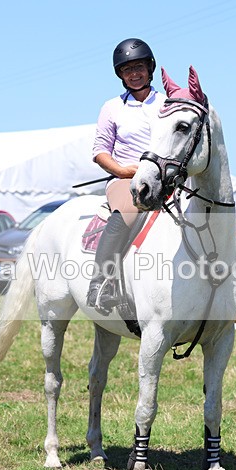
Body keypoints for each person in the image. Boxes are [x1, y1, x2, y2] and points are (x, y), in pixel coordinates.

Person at [87, 37, 164, 314]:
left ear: (150, 67)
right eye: (127, 70)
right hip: (125, 180)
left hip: (166, 179)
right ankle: (101, 284)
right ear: (120, 75)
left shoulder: (168, 104)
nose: (134, 74)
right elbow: (100, 151)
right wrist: (121, 170)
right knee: (128, 212)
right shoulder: (112, 108)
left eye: (139, 67)